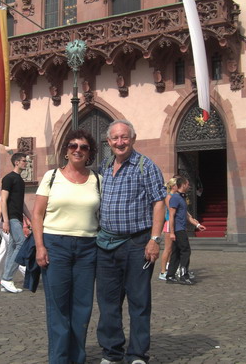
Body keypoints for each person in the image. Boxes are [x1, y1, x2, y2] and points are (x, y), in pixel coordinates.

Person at [96, 119, 167, 364]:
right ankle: (112, 353)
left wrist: (155, 239)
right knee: (108, 303)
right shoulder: (104, 166)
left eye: (124, 137)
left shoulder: (146, 166)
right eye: (115, 138)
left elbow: (159, 202)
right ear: (108, 142)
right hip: (105, 245)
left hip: (137, 243)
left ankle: (137, 354)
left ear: (133, 139)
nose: (120, 142)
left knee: (139, 301)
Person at [31, 129, 101, 364]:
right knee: (58, 307)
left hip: (88, 247)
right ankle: (59, 360)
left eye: (83, 147)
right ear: (66, 151)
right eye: (73, 146)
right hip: (55, 245)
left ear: (90, 153)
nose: (78, 150)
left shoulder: (97, 179)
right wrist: (40, 247)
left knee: (82, 307)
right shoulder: (52, 177)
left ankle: (77, 358)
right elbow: (37, 214)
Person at [166, 176, 206, 285]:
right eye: (188, 184)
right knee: (185, 251)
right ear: (183, 185)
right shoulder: (175, 198)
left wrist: (197, 225)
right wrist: (172, 232)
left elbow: (187, 215)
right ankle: (184, 275)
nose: (189, 186)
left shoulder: (181, 198)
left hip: (180, 228)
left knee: (176, 252)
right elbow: (171, 215)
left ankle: (170, 275)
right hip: (178, 230)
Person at [0, 152, 31, 293]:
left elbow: (21, 202)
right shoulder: (8, 178)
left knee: (12, 248)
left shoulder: (20, 180)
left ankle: (5, 281)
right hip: (11, 218)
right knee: (22, 244)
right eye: (24, 161)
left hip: (17, 218)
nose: (26, 163)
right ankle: (6, 278)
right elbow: (3, 200)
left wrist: (30, 217)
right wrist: (5, 221)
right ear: (17, 162)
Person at [158, 177, 178, 281]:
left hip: (173, 223)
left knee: (172, 249)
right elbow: (171, 211)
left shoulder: (174, 196)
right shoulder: (169, 196)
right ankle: (162, 271)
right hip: (169, 223)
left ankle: (170, 268)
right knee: (168, 248)